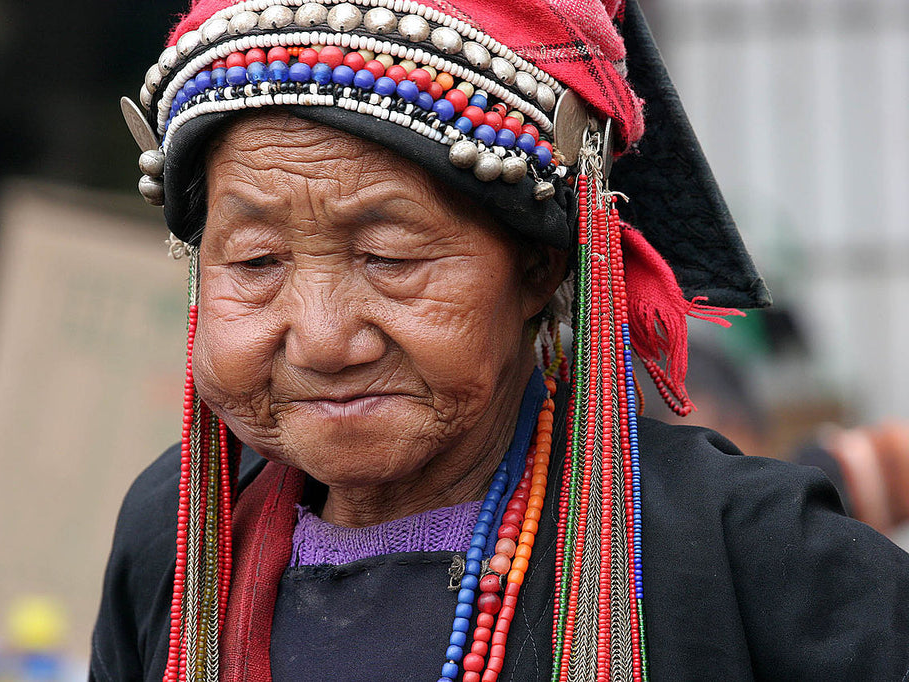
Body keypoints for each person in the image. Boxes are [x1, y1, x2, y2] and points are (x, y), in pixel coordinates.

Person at [92, 0, 909, 680]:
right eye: (257, 260)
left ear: (540, 269)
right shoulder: (176, 537)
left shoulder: (755, 558)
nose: (322, 338)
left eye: (389, 258)